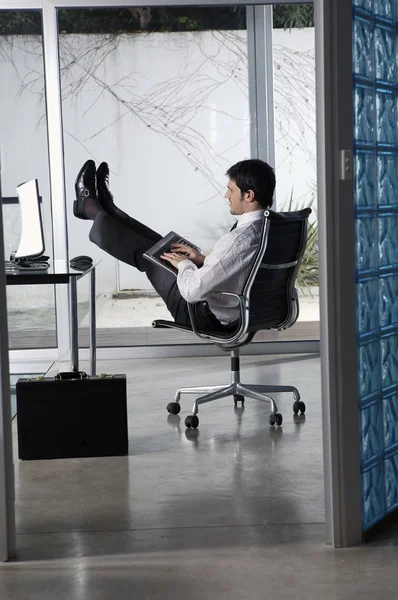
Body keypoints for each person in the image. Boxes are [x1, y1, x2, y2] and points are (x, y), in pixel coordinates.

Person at [74, 158, 276, 331]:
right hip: (239, 311)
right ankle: (108, 209)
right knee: (159, 246)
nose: (226, 196)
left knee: (149, 255)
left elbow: (192, 292)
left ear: (249, 195)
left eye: (230, 190)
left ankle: (91, 208)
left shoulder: (237, 239)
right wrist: (202, 260)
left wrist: (184, 265)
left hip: (206, 316)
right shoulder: (268, 227)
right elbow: (243, 267)